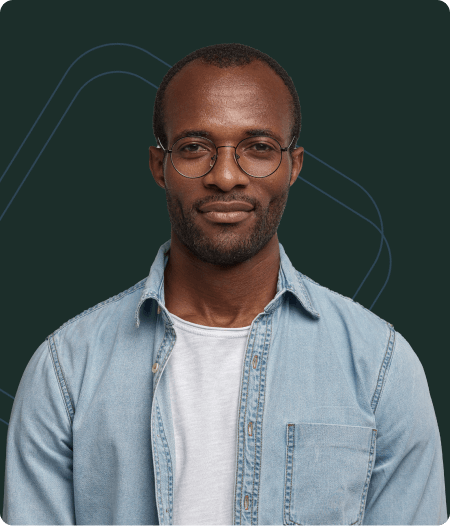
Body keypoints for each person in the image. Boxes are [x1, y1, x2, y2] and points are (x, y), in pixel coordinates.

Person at [2, 42, 447, 526]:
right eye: (195, 148)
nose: (227, 176)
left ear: (295, 166)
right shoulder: (66, 370)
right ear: (158, 165)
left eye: (259, 148)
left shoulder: (380, 365)